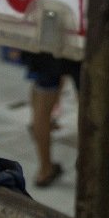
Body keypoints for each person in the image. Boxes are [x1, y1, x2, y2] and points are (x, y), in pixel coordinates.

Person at [22, 51, 81, 187]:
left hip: (47, 46)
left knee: (42, 104)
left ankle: (44, 170)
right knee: (87, 105)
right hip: (82, 41)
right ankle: (87, 165)